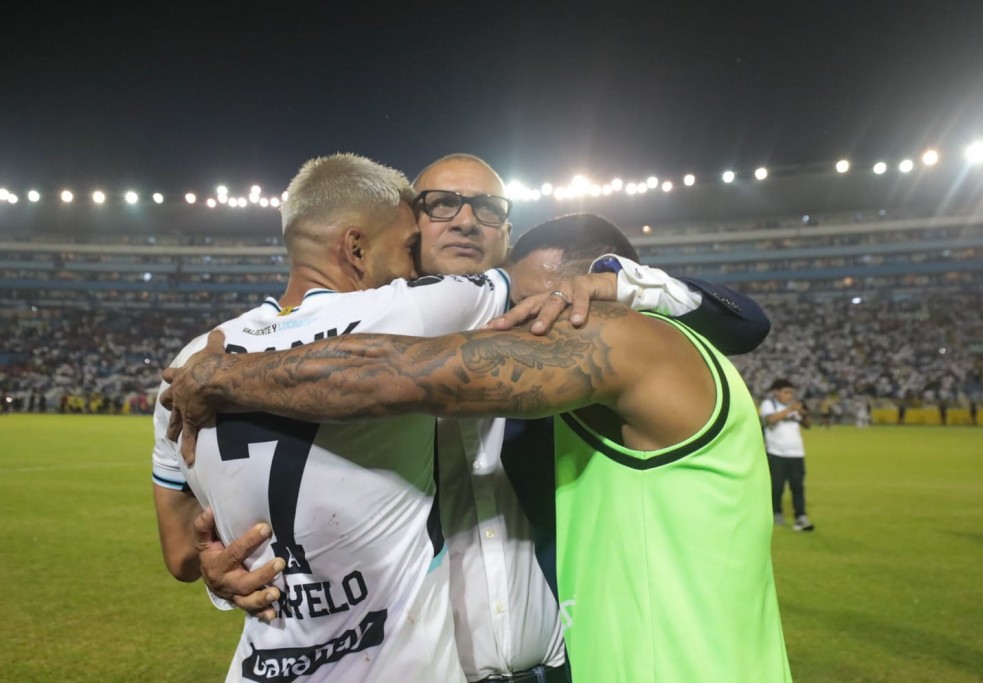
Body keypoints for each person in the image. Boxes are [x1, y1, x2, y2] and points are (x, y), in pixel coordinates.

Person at [186, 154, 772, 683]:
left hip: (559, 664)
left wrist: (617, 282)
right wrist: (228, 568)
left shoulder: (547, 338)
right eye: (441, 204)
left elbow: (742, 321)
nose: (466, 219)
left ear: (507, 236)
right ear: (409, 234)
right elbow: (274, 510)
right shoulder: (355, 342)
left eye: (488, 208)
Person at [152, 152, 525, 682]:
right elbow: (527, 280)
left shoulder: (190, 363)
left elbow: (180, 556)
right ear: (355, 248)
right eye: (408, 246)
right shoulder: (409, 311)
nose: (414, 264)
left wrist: (218, 565)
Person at [760, 378, 815, 531]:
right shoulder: (769, 404)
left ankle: (801, 516)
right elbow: (770, 419)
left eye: (791, 392)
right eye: (786, 392)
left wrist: (804, 414)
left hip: (797, 453)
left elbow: (808, 425)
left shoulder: (794, 407)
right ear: (776, 392)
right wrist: (790, 410)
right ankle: (776, 512)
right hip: (777, 452)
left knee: (798, 486)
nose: (789, 395)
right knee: (777, 486)